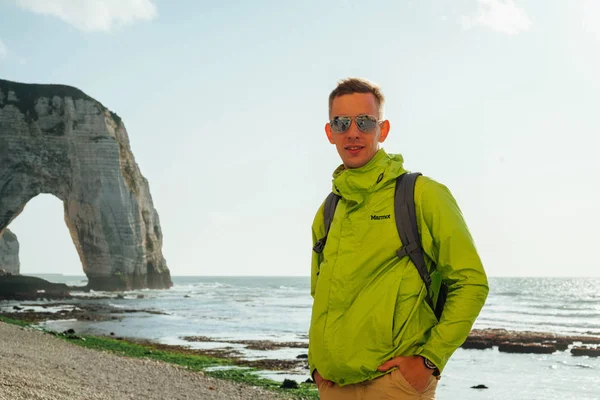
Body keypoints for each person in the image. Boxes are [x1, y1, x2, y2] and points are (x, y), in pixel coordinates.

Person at [308, 77, 489, 399]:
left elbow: (471, 283)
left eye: (364, 122)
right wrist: (317, 366)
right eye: (341, 122)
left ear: (383, 129)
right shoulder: (328, 210)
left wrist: (429, 362)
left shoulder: (421, 195)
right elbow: (320, 293)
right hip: (334, 386)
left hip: (394, 385)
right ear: (329, 132)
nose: (353, 132)